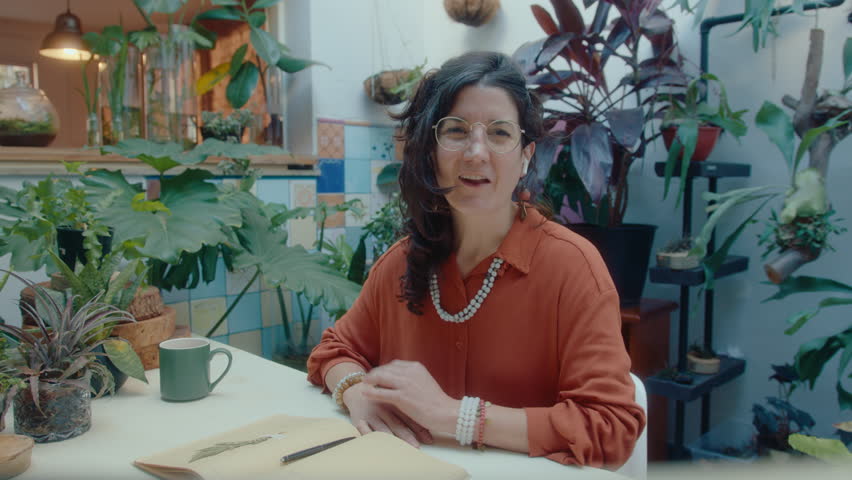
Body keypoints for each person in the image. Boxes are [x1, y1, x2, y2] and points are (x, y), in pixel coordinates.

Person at [306, 51, 644, 469]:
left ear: (526, 156)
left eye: (500, 133)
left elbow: (611, 427)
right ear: (431, 151)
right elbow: (333, 351)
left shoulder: (573, 269)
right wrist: (357, 393)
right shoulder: (400, 263)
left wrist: (455, 417)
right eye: (456, 130)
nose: (476, 152)